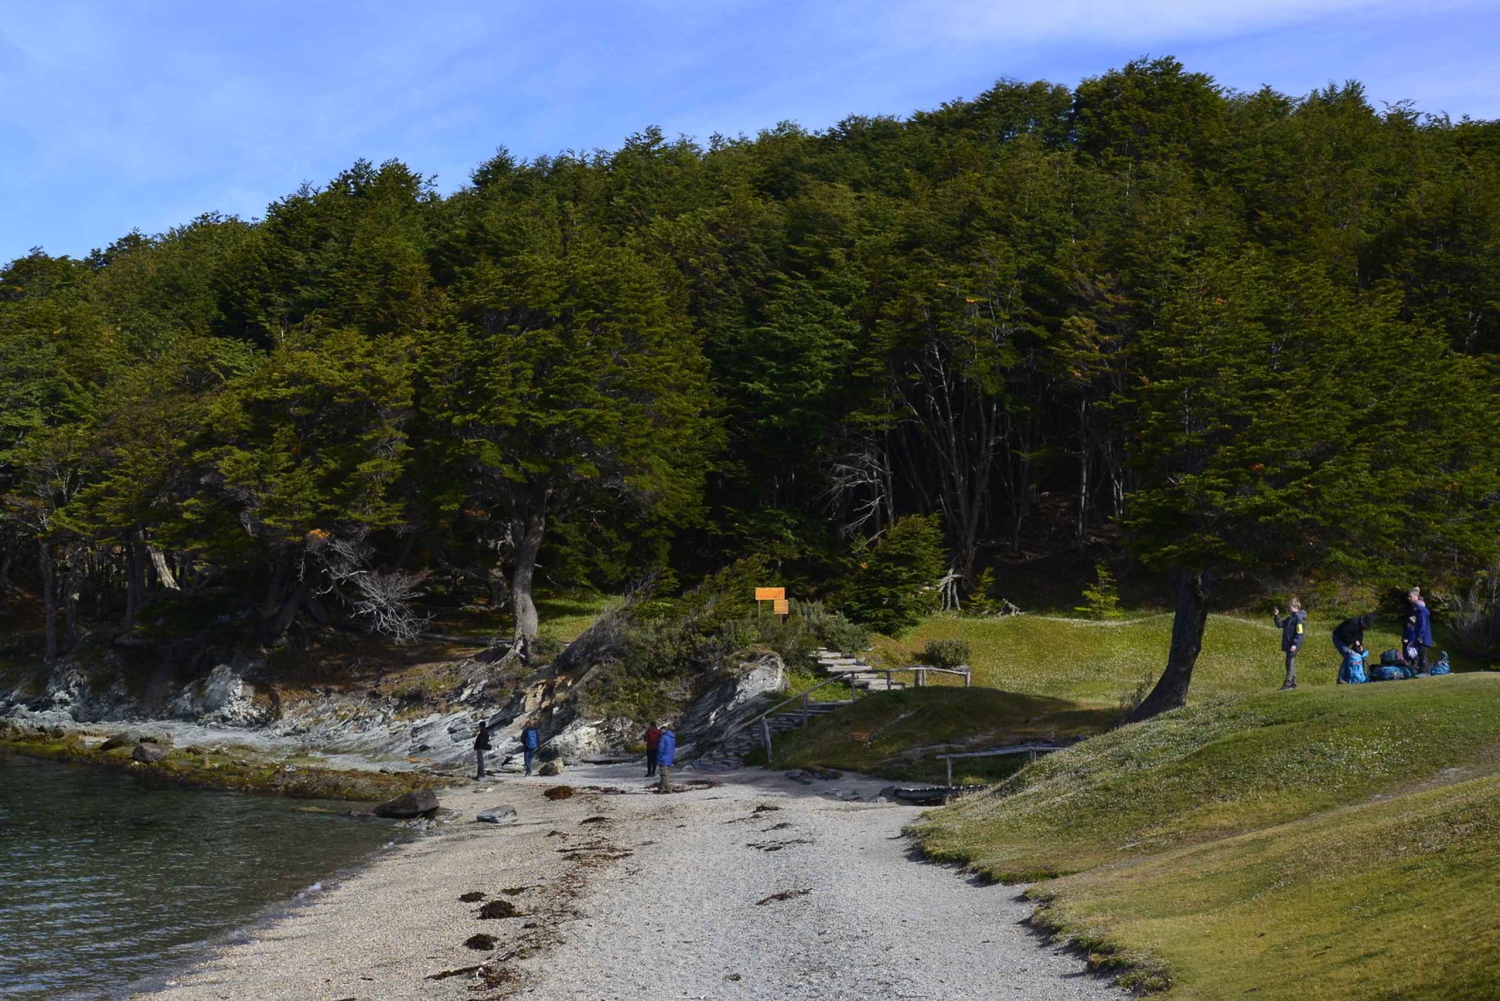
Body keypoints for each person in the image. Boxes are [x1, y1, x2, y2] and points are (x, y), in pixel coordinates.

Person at [1272, 598, 1306, 690]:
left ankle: (1288, 683)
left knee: (1289, 662)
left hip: (1294, 645)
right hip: (1289, 645)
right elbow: (1280, 624)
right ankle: (1293, 683)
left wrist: (1295, 644)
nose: (1288, 609)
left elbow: (1300, 633)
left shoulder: (1298, 619)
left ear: (1295, 607)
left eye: (1289, 607)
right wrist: (1276, 615)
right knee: (1289, 662)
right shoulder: (1290, 618)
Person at [1404, 587, 1434, 673]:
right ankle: (1421, 671)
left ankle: (1425, 671)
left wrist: (1420, 636)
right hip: (1419, 637)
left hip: (1423, 638)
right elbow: (1413, 625)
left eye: (1410, 596)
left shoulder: (1421, 612)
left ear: (1415, 597)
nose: (1409, 598)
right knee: (1420, 655)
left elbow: (1422, 626)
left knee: (1422, 655)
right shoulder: (1415, 611)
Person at [655, 725, 676, 794]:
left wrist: (658, 757)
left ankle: (669, 789)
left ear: (662, 731)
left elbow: (660, 748)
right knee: (666, 773)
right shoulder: (672, 737)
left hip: (663, 758)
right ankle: (661, 788)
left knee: (664, 775)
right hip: (670, 757)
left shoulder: (663, 737)